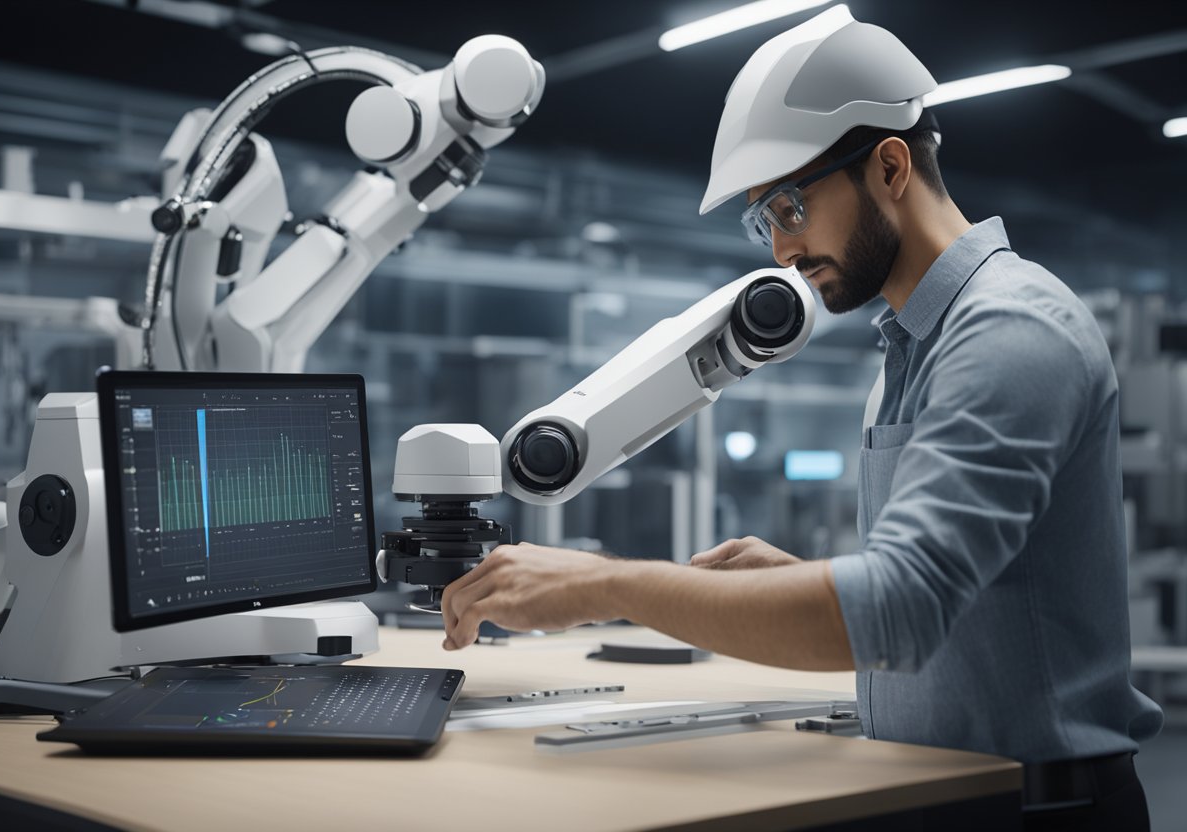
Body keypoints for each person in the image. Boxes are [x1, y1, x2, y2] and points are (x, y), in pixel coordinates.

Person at [440, 9, 1163, 829]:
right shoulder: (908, 343)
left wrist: (604, 584)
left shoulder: (1010, 330)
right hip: (949, 793)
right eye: (766, 221)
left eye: (789, 207)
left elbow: (899, 611)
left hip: (1040, 813)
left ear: (890, 166)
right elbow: (945, 597)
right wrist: (793, 581)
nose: (781, 251)